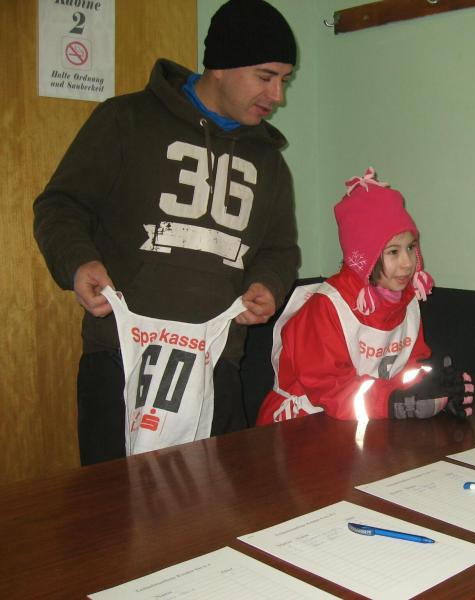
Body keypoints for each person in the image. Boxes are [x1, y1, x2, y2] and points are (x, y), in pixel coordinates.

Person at [33, 0, 300, 465]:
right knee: (114, 506)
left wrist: (269, 284)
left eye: (284, 80)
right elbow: (60, 206)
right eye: (265, 76)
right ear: (221, 65)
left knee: (218, 506)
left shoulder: (270, 163)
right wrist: (78, 262)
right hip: (121, 361)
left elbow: (279, 249)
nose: (277, 95)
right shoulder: (124, 121)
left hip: (215, 366)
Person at [257, 168, 475, 424]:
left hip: (364, 422)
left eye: (411, 247)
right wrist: (394, 402)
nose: (407, 263)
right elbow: (331, 389)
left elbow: (408, 369)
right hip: (302, 424)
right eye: (393, 251)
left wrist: (435, 393)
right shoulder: (328, 307)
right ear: (364, 258)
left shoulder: (406, 302)